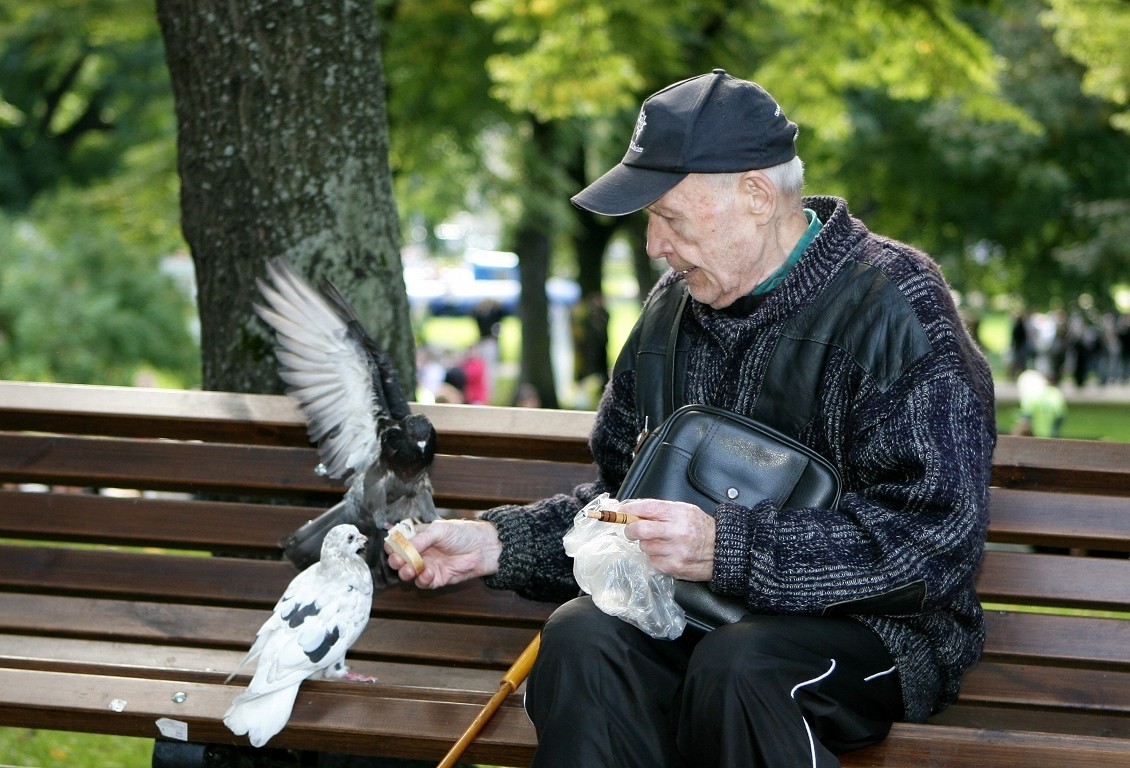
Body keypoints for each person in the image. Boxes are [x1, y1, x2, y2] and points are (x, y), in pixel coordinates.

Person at [387, 70, 996, 768]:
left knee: (743, 667)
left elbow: (934, 540)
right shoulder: (670, 309)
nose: (653, 245)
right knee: (582, 639)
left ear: (758, 198)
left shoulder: (895, 305)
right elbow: (622, 504)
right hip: (691, 614)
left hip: (876, 635)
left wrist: (728, 549)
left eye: (670, 217)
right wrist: (497, 544)